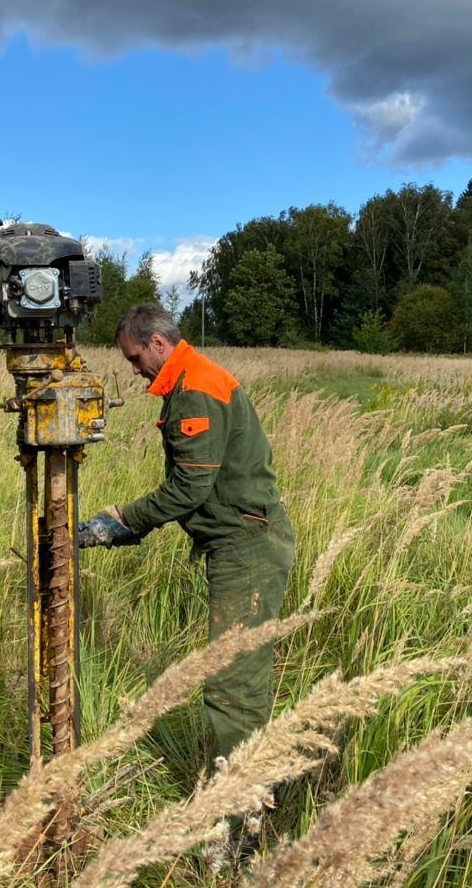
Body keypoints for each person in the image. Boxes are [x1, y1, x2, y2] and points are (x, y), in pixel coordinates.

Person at [78, 302, 294, 767]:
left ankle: (235, 818)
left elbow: (190, 487)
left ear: (158, 344)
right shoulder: (188, 379)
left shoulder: (195, 387)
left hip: (247, 545)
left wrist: (123, 520)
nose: (134, 371)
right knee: (237, 672)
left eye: (135, 358)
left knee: (234, 681)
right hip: (241, 540)